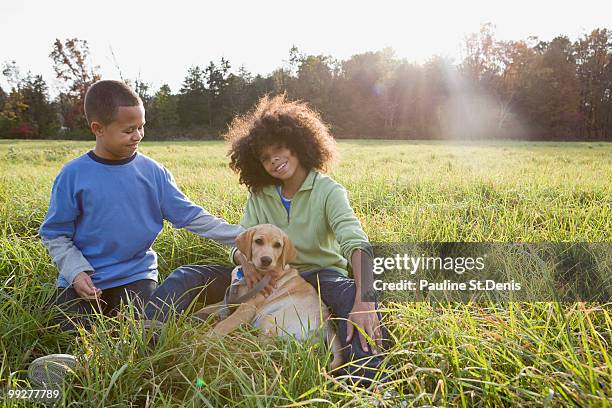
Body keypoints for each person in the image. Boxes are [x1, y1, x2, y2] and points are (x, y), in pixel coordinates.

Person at [145, 94, 388, 386]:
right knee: (187, 274)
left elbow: (356, 242)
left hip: (321, 276)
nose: (273, 159)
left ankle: (366, 385)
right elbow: (242, 242)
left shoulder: (328, 191)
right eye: (263, 156)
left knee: (356, 297)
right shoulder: (260, 195)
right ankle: (144, 338)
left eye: (279, 148)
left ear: (299, 144)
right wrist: (243, 261)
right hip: (264, 273)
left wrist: (365, 299)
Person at [29, 80, 243, 386]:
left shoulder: (152, 172)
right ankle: (78, 366)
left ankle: (97, 368)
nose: (138, 135)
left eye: (141, 127)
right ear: (98, 128)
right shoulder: (74, 175)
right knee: (70, 329)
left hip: (135, 276)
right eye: (128, 129)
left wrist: (243, 236)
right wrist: (76, 273)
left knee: (145, 328)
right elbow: (55, 234)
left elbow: (192, 216)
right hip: (83, 281)